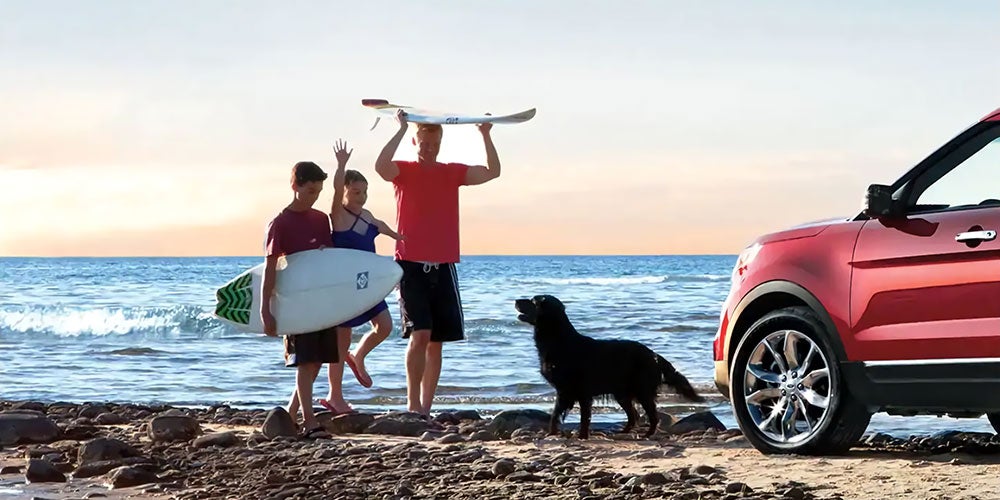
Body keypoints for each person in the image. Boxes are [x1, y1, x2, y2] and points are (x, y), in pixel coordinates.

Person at [374, 110, 502, 417]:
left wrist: (485, 134)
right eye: (425, 142)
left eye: (435, 143)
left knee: (436, 342)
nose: (430, 148)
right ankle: (412, 404)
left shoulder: (451, 172)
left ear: (440, 142)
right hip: (411, 264)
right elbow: (380, 167)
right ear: (416, 141)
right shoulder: (403, 171)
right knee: (419, 335)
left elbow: (492, 172)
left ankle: (426, 409)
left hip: (443, 265)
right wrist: (401, 129)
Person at [267, 141, 350, 438]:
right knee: (305, 361)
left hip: (322, 301)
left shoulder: (319, 219)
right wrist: (268, 311)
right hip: (298, 303)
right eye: (310, 191)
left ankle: (290, 416)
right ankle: (310, 422)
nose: (314, 198)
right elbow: (270, 269)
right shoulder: (280, 223)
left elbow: (325, 260)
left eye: (318, 192)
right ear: (295, 185)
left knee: (315, 363)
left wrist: (341, 168)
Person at [316, 158, 405, 414]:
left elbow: (379, 225)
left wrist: (397, 236)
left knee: (385, 326)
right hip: (345, 288)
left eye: (365, 192)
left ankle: (360, 356)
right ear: (344, 190)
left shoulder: (366, 215)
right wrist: (341, 165)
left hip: (367, 285)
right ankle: (335, 397)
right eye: (356, 191)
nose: (362, 196)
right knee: (340, 344)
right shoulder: (339, 215)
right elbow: (334, 190)